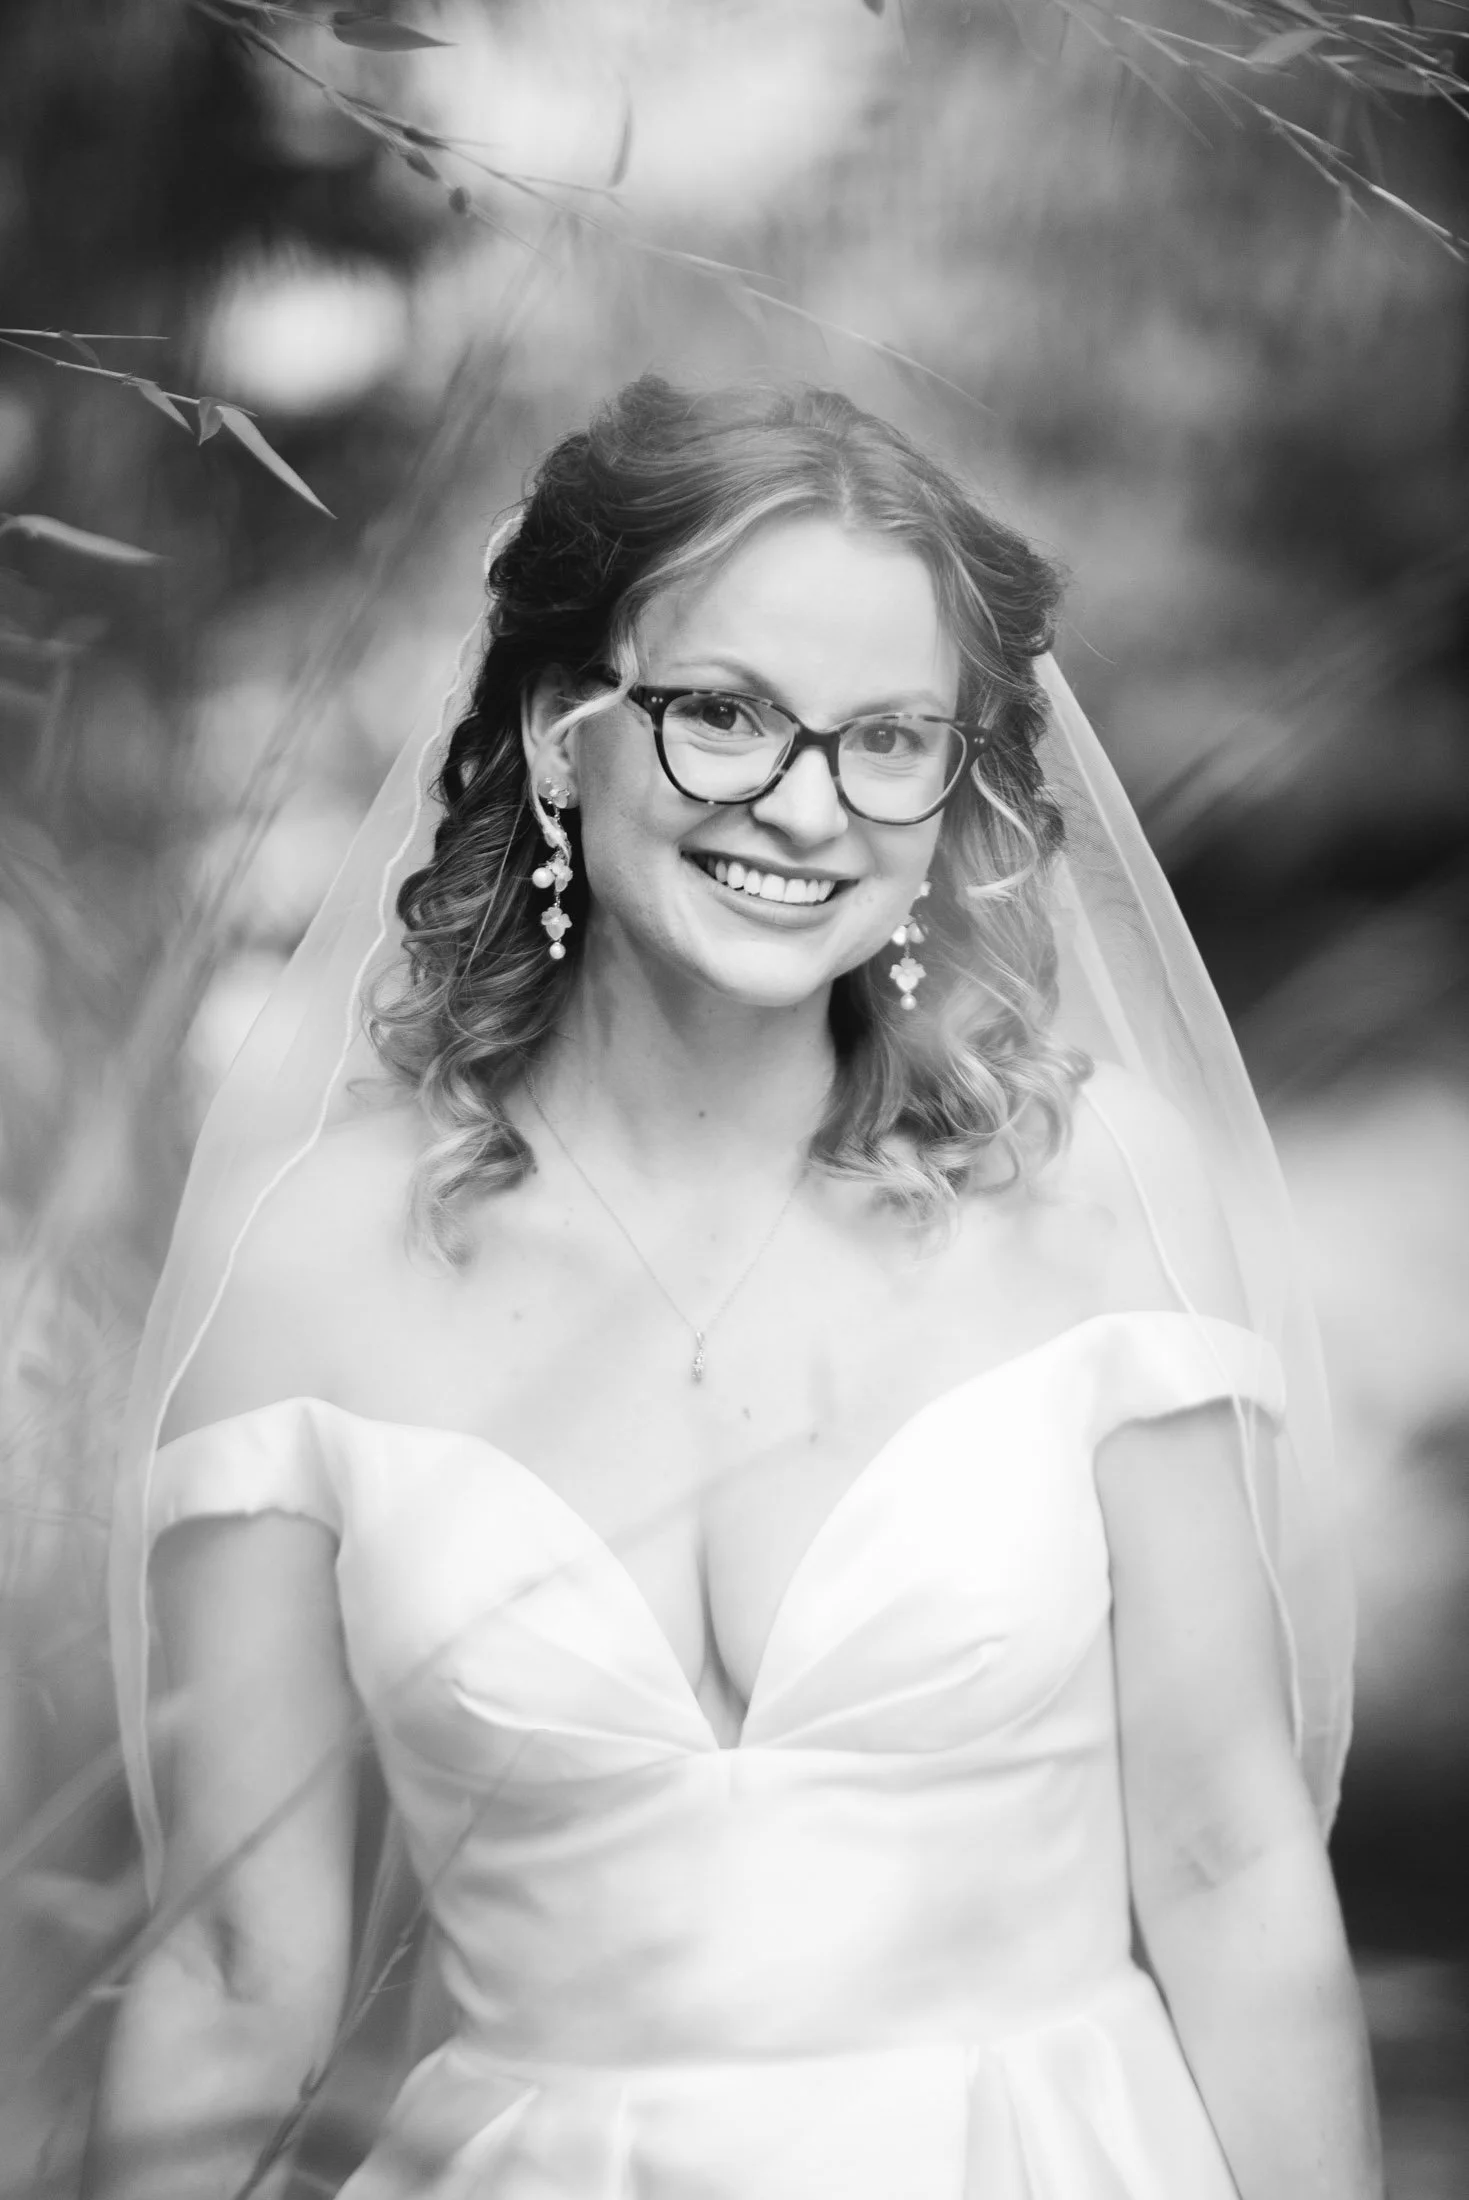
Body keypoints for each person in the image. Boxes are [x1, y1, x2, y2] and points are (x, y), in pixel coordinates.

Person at [85, 377, 1381, 2199]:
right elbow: (236, 1972)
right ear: (558, 730)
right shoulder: (309, 1266)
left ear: (949, 790)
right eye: (722, 716)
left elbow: (1234, 1865)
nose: (805, 806)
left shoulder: (1089, 1202)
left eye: (888, 740)